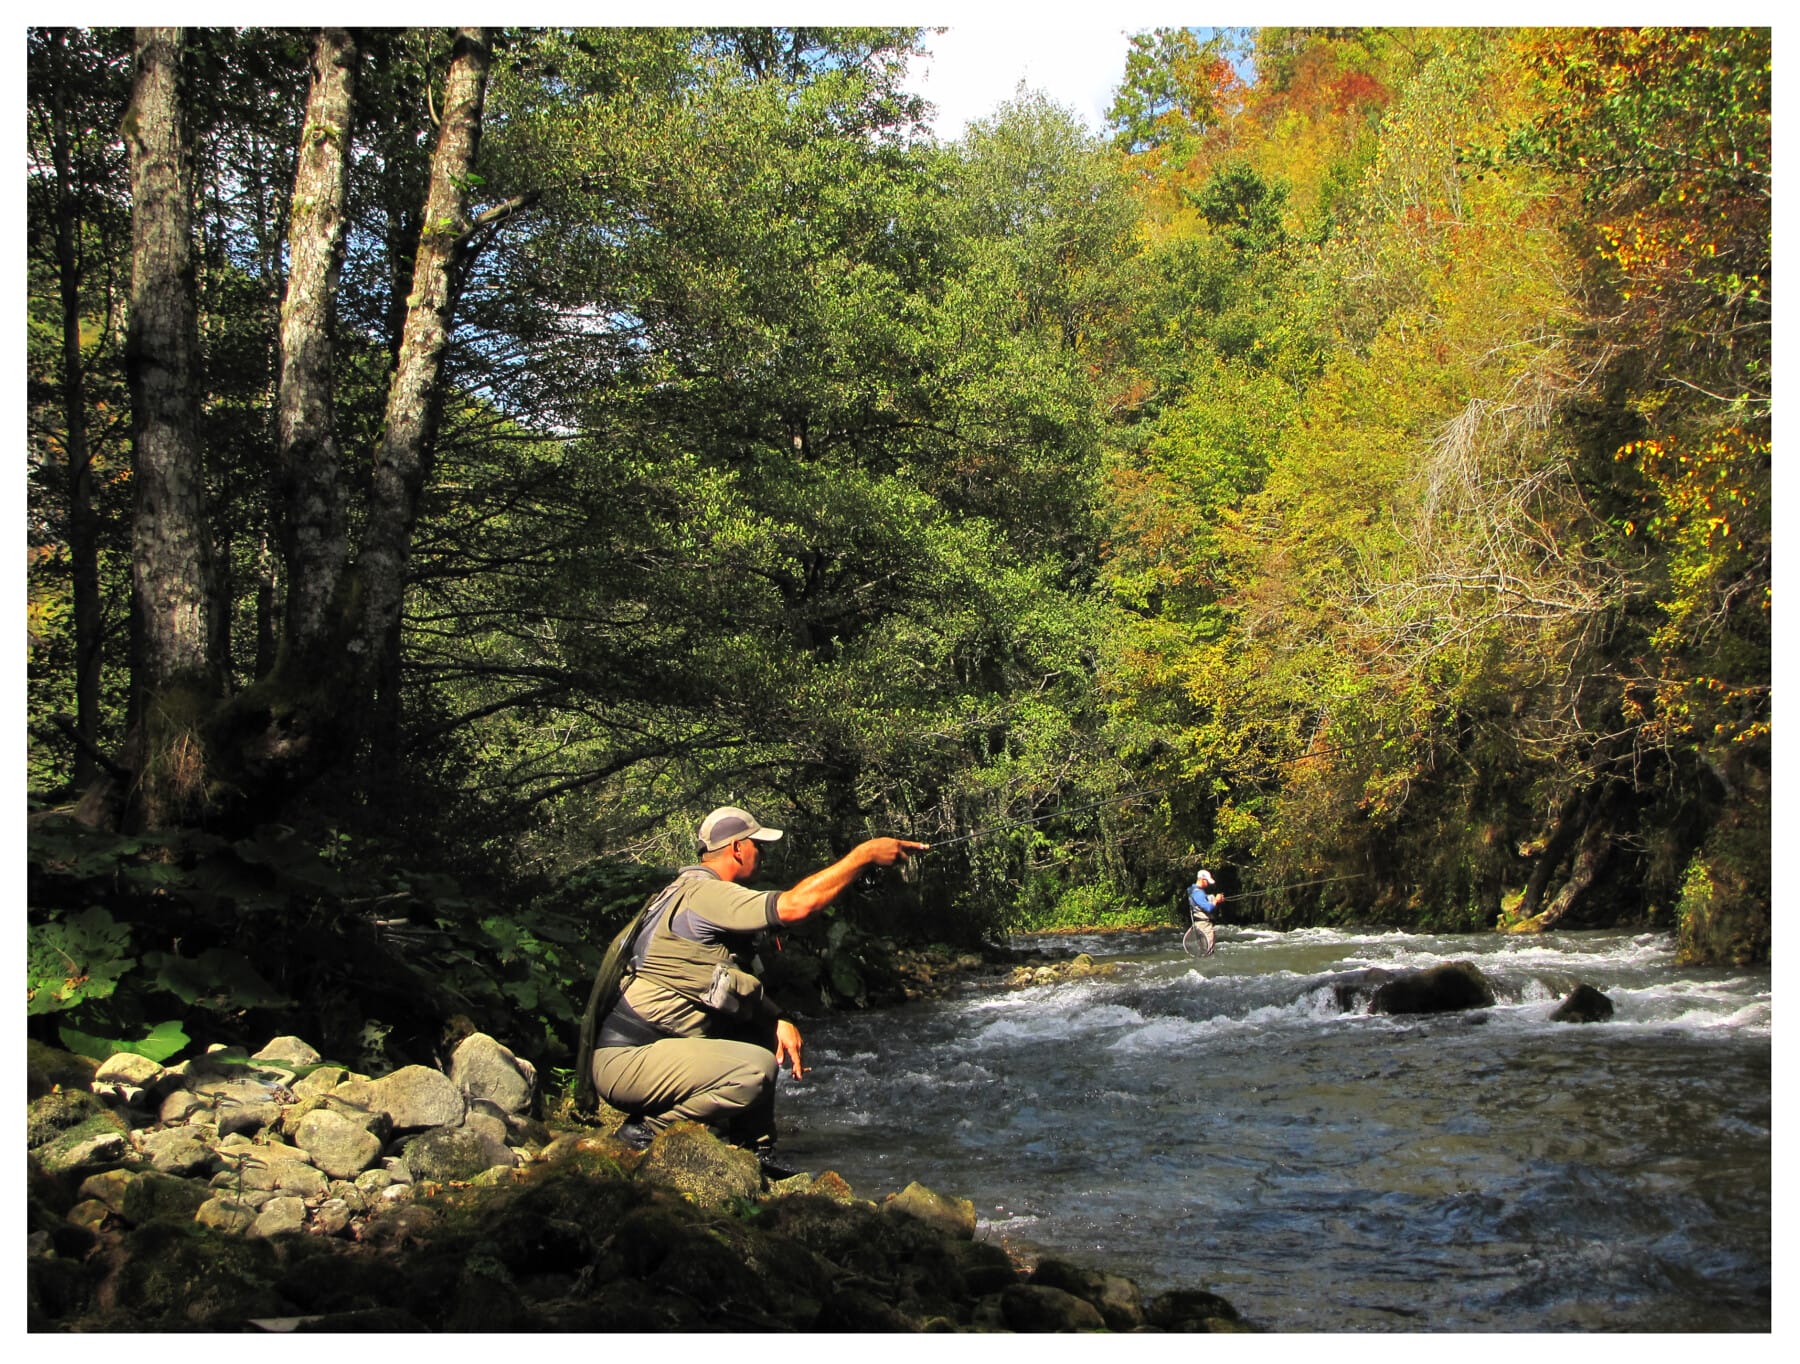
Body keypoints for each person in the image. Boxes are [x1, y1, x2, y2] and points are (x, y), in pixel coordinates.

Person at [591, 805, 927, 1173]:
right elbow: (796, 906)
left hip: (646, 1053)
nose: (763, 854)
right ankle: (644, 1133)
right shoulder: (705, 895)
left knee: (761, 1035)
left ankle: (755, 1154)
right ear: (737, 848)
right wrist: (863, 856)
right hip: (631, 1060)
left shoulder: (683, 891)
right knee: (754, 1071)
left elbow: (728, 985)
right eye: (757, 845)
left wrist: (778, 1019)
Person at [1186, 869, 1224, 957]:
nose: (1208, 884)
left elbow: (1203, 901)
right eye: (1207, 881)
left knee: (1204, 950)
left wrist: (1213, 899)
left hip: (1199, 924)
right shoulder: (1198, 893)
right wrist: (1216, 900)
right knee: (1208, 952)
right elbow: (1208, 908)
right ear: (1202, 879)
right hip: (1204, 925)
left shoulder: (1192, 890)